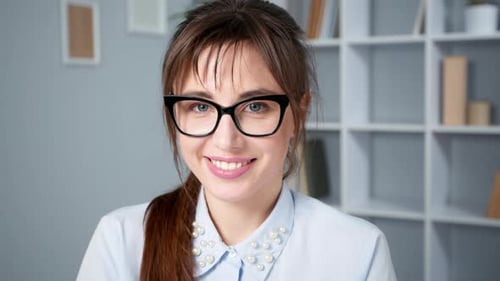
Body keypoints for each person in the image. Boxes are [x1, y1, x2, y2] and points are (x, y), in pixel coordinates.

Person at [76, 0, 397, 280]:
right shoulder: (121, 240)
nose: (226, 139)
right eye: (200, 106)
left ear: (299, 113)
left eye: (255, 106)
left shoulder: (358, 251)